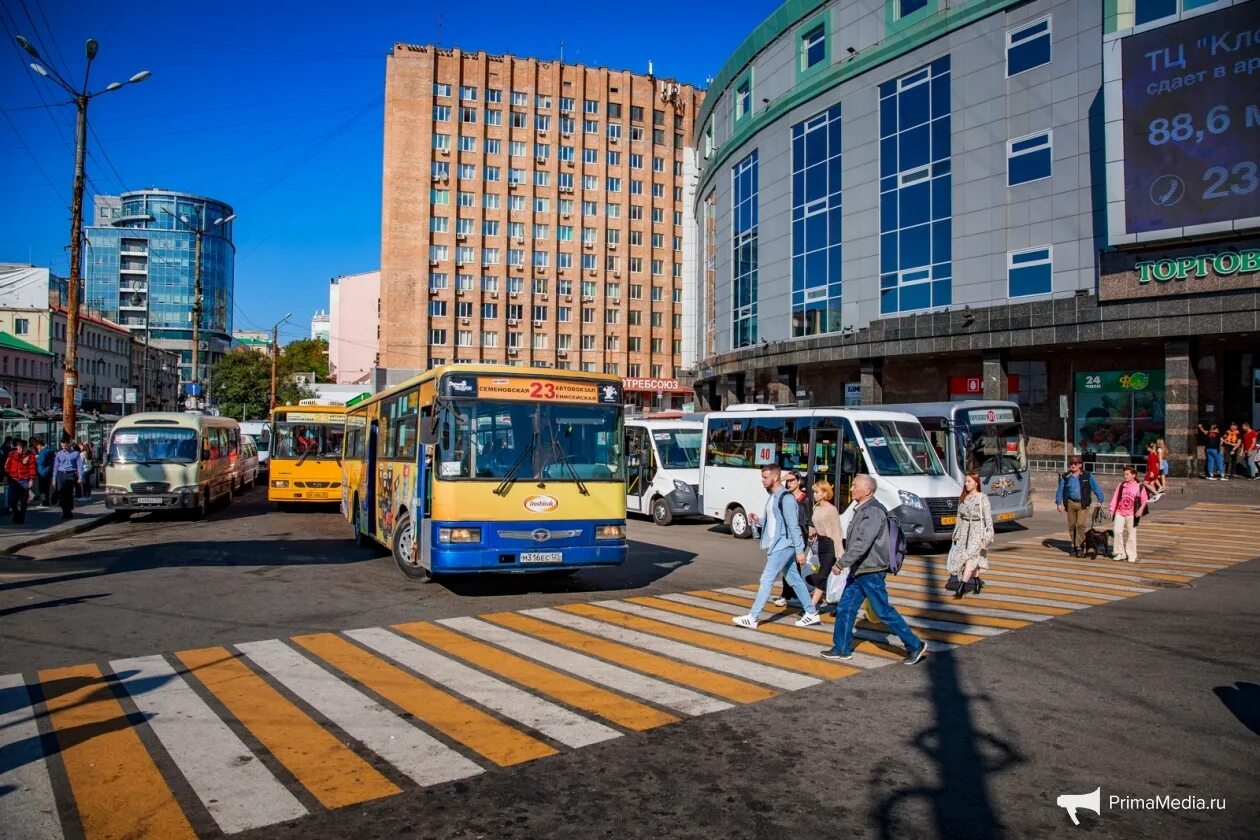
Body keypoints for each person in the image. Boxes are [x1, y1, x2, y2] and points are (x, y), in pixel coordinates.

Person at [820, 474, 927, 665]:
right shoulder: (862, 509)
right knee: (845, 608)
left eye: (854, 485)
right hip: (860, 570)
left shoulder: (873, 512)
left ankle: (915, 645)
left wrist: (841, 563)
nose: (851, 489)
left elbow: (862, 543)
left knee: (883, 611)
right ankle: (841, 648)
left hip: (870, 570)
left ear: (867, 490)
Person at [732, 464, 821, 630]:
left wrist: (800, 550)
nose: (762, 480)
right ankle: (811, 612)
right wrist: (758, 520)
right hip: (778, 544)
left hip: (784, 545)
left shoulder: (785, 498)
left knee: (766, 579)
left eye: (765, 477)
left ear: (775, 477)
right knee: (794, 578)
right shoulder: (773, 496)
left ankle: (753, 617)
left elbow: (793, 526)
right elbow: (772, 521)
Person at [948, 472, 994, 598]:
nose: (966, 484)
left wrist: (988, 535)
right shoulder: (964, 498)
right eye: (966, 481)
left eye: (969, 481)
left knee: (971, 558)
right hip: (964, 532)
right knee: (967, 558)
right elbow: (959, 517)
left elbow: (988, 518)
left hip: (977, 532)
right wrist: (956, 533)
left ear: (976, 483)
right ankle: (977, 582)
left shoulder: (982, 498)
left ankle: (961, 587)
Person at [771, 469, 812, 608]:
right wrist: (782, 478)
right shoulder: (785, 496)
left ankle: (792, 595)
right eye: (787, 481)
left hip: (800, 535)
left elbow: (807, 519)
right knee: (788, 566)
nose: (789, 484)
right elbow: (772, 491)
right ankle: (788, 594)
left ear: (799, 481)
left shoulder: (805, 499)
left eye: (792, 480)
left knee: (792, 565)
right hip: (787, 536)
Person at [804, 479, 842, 614]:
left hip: (830, 545)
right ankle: (840, 603)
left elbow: (837, 531)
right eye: (814, 491)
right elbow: (815, 524)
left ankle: (811, 608)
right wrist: (813, 533)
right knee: (826, 577)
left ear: (825, 493)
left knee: (821, 576)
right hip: (820, 544)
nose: (814, 494)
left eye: (816, 492)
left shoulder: (832, 510)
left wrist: (839, 555)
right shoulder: (816, 507)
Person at [1055, 456, 1104, 557]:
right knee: (1072, 525)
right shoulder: (1066, 476)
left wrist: (1100, 500)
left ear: (1080, 465)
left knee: (1080, 524)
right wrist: (1058, 503)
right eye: (1071, 464)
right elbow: (1060, 490)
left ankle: (1080, 546)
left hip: (1083, 503)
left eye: (1076, 464)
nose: (1073, 465)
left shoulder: (1087, 475)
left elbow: (1096, 488)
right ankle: (1073, 546)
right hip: (1070, 503)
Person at [1108, 466, 1149, 563]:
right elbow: (1115, 498)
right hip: (1120, 512)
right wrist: (1112, 509)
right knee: (1117, 531)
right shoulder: (1121, 485)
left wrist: (1140, 510)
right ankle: (1120, 553)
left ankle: (1131, 555)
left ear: (1133, 475)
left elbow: (1145, 500)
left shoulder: (1139, 487)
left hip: (1132, 514)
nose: (1125, 476)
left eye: (1127, 474)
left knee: (1131, 534)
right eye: (1124, 474)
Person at [5, 439, 36, 525]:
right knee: (11, 500)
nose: (20, 450)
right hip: (14, 479)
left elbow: (32, 468)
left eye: (22, 448)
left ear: (26, 447)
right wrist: (6, 476)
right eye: (18, 448)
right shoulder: (12, 454)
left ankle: (21, 517)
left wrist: (31, 479)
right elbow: (8, 465)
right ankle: (16, 513)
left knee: (23, 501)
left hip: (25, 480)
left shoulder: (31, 455)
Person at [53, 439, 84, 520]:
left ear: (69, 445)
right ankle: (64, 510)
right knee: (61, 492)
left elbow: (79, 466)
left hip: (71, 473)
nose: (64, 447)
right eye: (62, 446)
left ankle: (68, 510)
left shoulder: (76, 453)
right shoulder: (59, 454)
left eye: (65, 445)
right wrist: (54, 478)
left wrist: (80, 477)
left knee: (68, 493)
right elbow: (56, 466)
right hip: (61, 473)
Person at [34, 440, 54, 507]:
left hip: (42, 472)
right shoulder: (50, 451)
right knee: (47, 488)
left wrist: (36, 458)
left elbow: (41, 462)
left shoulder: (42, 452)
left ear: (39, 445)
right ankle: (47, 501)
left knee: (42, 488)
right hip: (49, 471)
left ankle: (43, 502)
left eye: (37, 446)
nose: (37, 448)